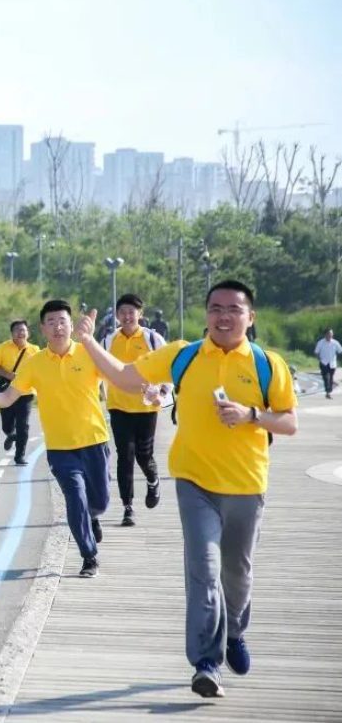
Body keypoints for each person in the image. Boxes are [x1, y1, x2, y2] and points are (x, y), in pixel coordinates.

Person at [76, 280, 297, 699]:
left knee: (237, 573)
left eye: (234, 309)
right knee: (204, 570)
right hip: (194, 481)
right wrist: (87, 341)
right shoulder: (183, 355)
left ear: (250, 317)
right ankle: (206, 662)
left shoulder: (269, 364)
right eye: (215, 308)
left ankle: (233, 633)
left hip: (247, 484)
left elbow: (288, 422)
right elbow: (124, 378)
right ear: (206, 315)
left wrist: (252, 414)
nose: (224, 316)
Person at [0, 300, 110, 579]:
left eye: (63, 321)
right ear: (42, 329)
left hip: (94, 440)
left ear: (72, 325)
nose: (58, 327)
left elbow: (119, 376)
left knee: (100, 502)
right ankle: (89, 556)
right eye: (51, 322)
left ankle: (92, 516)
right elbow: (10, 396)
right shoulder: (34, 363)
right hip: (60, 448)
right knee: (74, 500)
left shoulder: (89, 353)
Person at [102, 294, 168, 527]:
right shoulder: (109, 340)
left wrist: (161, 395)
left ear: (140, 314)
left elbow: (169, 368)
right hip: (119, 407)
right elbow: (99, 369)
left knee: (144, 456)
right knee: (124, 456)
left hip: (146, 408)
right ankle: (128, 507)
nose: (127, 316)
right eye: (123, 312)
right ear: (117, 316)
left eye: (132, 312)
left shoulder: (153, 338)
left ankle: (153, 480)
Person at [0, 320, 40, 465]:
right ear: (12, 333)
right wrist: (9, 375)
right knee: (7, 424)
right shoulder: (2, 347)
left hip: (26, 392)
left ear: (28, 333)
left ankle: (20, 456)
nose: (21, 333)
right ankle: (11, 435)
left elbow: (40, 369)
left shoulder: (35, 349)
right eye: (17, 330)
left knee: (23, 425)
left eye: (23, 330)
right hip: (6, 390)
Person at [314, 328, 341, 399]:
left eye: (331, 334)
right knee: (326, 378)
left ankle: (329, 391)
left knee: (331, 378)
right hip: (324, 363)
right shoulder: (320, 342)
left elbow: (340, 351)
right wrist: (319, 359)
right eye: (328, 334)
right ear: (325, 335)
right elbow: (316, 352)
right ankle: (327, 392)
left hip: (332, 363)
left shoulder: (335, 342)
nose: (330, 335)